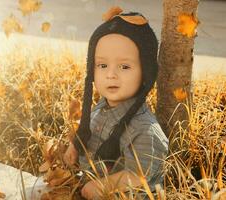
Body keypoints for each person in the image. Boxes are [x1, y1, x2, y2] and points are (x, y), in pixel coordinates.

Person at [63, 9, 169, 200]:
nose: (111, 74)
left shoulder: (145, 130)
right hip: (88, 187)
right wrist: (75, 148)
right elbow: (89, 133)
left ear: (145, 72)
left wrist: (104, 186)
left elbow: (139, 175)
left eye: (124, 66)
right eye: (102, 65)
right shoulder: (100, 108)